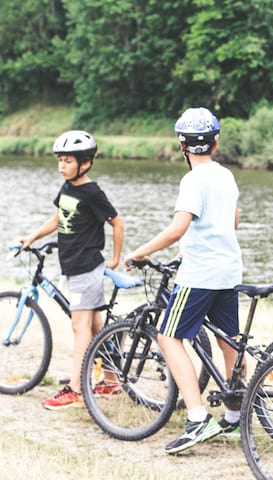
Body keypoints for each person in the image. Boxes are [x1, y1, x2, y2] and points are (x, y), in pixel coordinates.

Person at [124, 107, 243, 454]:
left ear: (181, 145)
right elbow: (231, 221)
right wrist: (189, 248)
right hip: (228, 270)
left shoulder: (192, 180)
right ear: (215, 144)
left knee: (168, 337)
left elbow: (178, 228)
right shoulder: (225, 176)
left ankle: (197, 417)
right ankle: (236, 416)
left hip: (200, 274)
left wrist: (140, 252)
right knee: (228, 341)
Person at [19, 130, 124, 409]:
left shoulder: (92, 192)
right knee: (94, 325)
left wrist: (114, 259)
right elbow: (58, 218)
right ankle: (112, 379)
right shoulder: (68, 188)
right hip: (73, 265)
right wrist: (32, 237)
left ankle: (76, 390)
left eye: (67, 161)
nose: (61, 167)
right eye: (60, 161)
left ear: (85, 163)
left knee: (80, 328)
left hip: (86, 266)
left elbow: (117, 223)